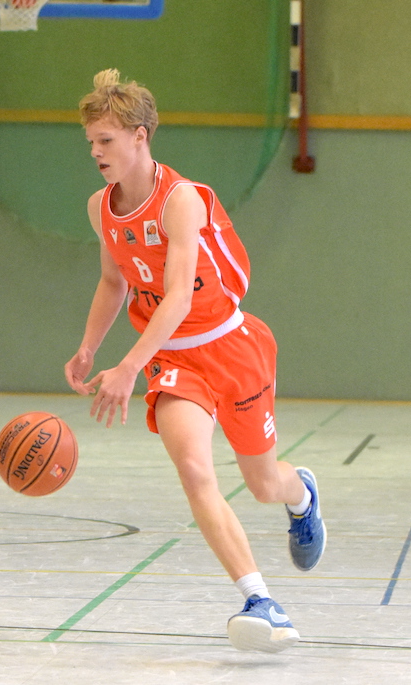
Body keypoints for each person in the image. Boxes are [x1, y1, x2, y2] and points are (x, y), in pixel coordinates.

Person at [64, 68, 325, 654]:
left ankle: (301, 493)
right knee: (193, 469)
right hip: (175, 360)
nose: (96, 153)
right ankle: (260, 598)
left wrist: (128, 366)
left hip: (231, 345)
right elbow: (114, 281)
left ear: (140, 135)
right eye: (90, 143)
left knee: (263, 484)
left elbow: (179, 295)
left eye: (106, 140)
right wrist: (89, 347)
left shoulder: (181, 199)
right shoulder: (99, 208)